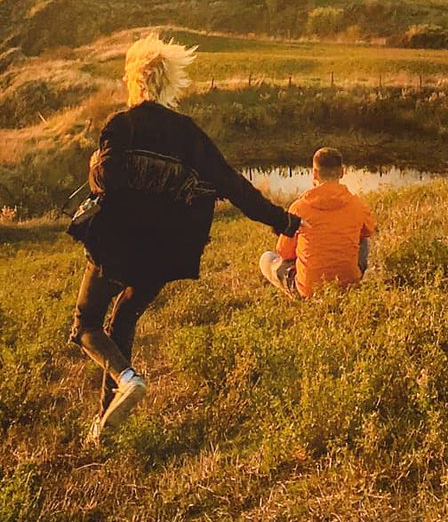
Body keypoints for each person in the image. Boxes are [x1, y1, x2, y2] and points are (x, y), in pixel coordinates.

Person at [69, 34, 298, 445]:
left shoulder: (121, 125)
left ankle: (127, 379)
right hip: (161, 255)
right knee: (124, 317)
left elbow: (105, 180)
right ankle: (106, 422)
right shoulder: (188, 134)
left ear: (134, 81)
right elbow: (232, 185)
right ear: (169, 82)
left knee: (86, 323)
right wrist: (282, 221)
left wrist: (93, 166)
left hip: (114, 247)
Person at [259, 147, 376, 298]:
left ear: (314, 173)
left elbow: (284, 252)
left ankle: (297, 290)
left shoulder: (299, 208)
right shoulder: (357, 205)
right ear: (342, 172)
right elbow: (369, 231)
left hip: (308, 290)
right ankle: (348, 278)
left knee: (267, 258)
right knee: (364, 241)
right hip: (349, 285)